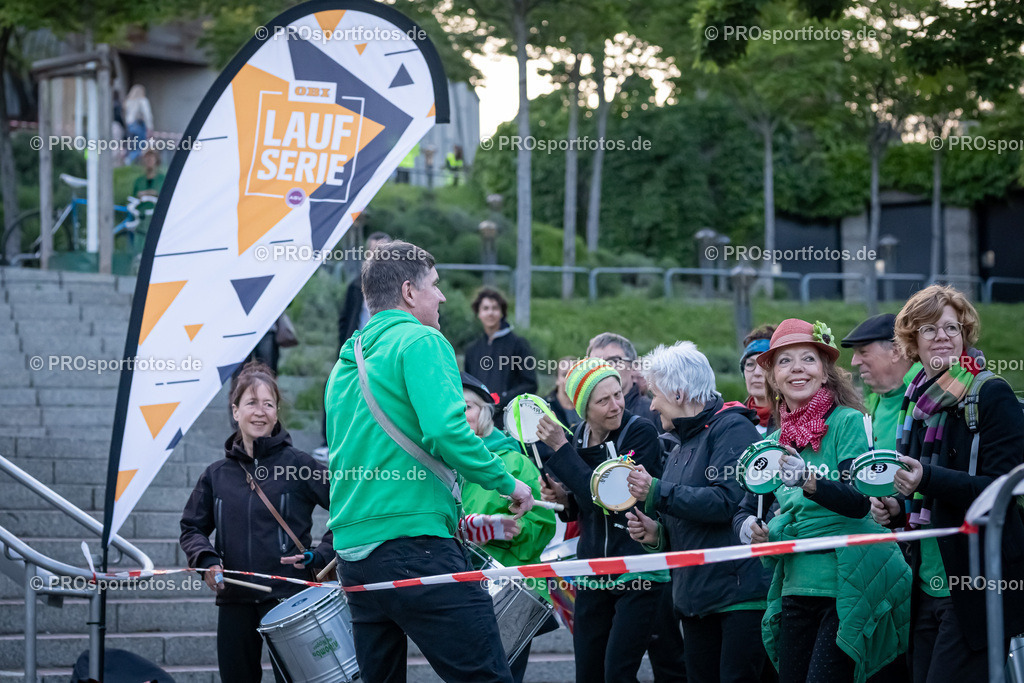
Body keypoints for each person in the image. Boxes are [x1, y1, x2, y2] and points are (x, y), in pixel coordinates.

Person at [324, 240, 535, 683]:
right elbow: (445, 431)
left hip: (354, 556)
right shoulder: (422, 339)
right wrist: (509, 483)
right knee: (487, 678)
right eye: (435, 286)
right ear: (407, 292)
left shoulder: (345, 365)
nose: (441, 296)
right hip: (414, 544)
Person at [734, 318, 911, 683]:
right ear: (773, 378)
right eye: (784, 361)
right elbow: (749, 504)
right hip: (795, 583)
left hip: (844, 583)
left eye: (808, 359)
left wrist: (808, 481)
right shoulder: (778, 437)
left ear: (825, 372)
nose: (797, 369)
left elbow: (858, 501)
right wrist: (750, 527)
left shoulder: (847, 422)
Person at [871, 285, 1024, 683]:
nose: (943, 337)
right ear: (912, 342)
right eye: (930, 330)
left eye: (952, 329)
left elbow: (1003, 490)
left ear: (965, 335)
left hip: (974, 580)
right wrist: (896, 509)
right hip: (926, 582)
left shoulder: (991, 393)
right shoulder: (917, 401)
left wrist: (929, 478)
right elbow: (922, 495)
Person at [180, 362, 335, 683]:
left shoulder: (300, 465)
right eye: (251, 403)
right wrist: (206, 560)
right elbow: (192, 528)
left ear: (277, 412)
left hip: (289, 598)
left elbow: (347, 508)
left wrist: (321, 554)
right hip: (235, 598)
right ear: (235, 411)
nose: (260, 412)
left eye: (268, 404)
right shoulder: (215, 475)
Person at [626, 341, 770, 683]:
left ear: (678, 394)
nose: (652, 404)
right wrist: (657, 534)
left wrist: (657, 491)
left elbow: (727, 503)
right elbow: (688, 514)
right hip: (695, 601)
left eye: (656, 394)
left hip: (737, 599)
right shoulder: (680, 442)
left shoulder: (733, 430)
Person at [535, 358, 673, 683]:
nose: (616, 405)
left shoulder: (638, 430)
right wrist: (563, 497)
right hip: (593, 572)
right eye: (603, 400)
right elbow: (586, 504)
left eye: (618, 394)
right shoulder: (580, 434)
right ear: (584, 408)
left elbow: (612, 500)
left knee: (618, 674)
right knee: (588, 674)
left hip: (638, 572)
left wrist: (560, 448)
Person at [462, 371, 557, 683]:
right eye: (453, 409)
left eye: (467, 407)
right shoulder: (443, 462)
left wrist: (510, 532)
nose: (460, 416)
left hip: (511, 589)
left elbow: (541, 523)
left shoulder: (513, 462)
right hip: (462, 590)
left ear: (485, 412)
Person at [314, 232, 392, 459]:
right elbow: (344, 318)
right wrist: (345, 345)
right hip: (358, 346)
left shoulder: (399, 287)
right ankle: (330, 443)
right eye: (373, 251)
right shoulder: (356, 284)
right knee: (341, 390)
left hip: (385, 348)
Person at [841, 313, 920, 450]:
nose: (854, 362)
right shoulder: (869, 402)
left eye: (863, 352)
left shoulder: (929, 392)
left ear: (896, 352)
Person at [464, 287, 538, 427]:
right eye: (485, 308)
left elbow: (530, 384)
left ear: (502, 312)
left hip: (510, 420)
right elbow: (468, 386)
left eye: (495, 308)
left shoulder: (518, 344)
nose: (490, 312)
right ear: (478, 313)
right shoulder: (472, 350)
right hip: (479, 422)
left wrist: (501, 401)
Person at [587, 332, 659, 426]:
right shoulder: (586, 415)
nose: (603, 369)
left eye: (613, 361)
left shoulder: (653, 413)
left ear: (634, 367)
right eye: (595, 363)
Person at [741, 325, 776, 435]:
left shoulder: (794, 421)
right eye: (750, 364)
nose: (757, 373)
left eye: (765, 365)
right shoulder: (734, 420)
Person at [545, 356, 583, 430]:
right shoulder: (544, 407)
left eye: (574, 374)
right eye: (564, 375)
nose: (569, 379)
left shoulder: (588, 407)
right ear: (557, 379)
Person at [124, 84, 153, 164]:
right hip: (139, 125)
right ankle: (135, 164)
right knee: (139, 147)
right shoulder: (142, 101)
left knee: (131, 147)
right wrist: (150, 127)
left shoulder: (128, 101)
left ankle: (128, 163)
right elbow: (147, 114)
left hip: (130, 126)